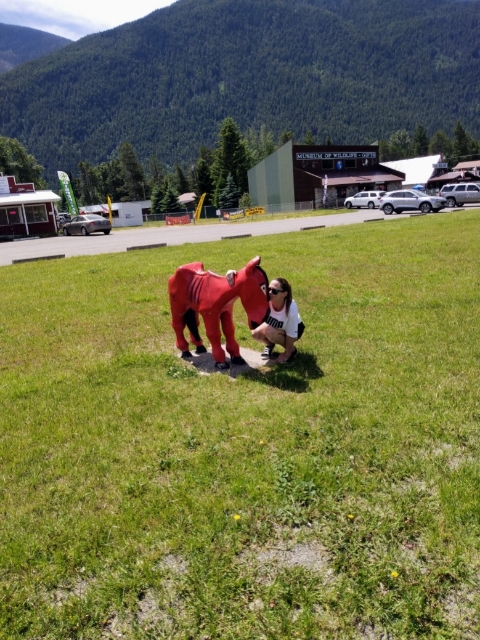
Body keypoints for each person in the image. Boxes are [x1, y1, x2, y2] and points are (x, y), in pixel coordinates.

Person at [251, 277, 304, 364]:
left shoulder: (291, 308)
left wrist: (287, 354)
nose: (270, 292)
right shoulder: (266, 300)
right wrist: (232, 273)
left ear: (284, 294)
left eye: (274, 291)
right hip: (276, 326)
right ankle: (270, 345)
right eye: (269, 289)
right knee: (255, 334)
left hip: (295, 330)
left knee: (269, 331)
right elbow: (251, 286)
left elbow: (291, 334)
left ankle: (292, 351)